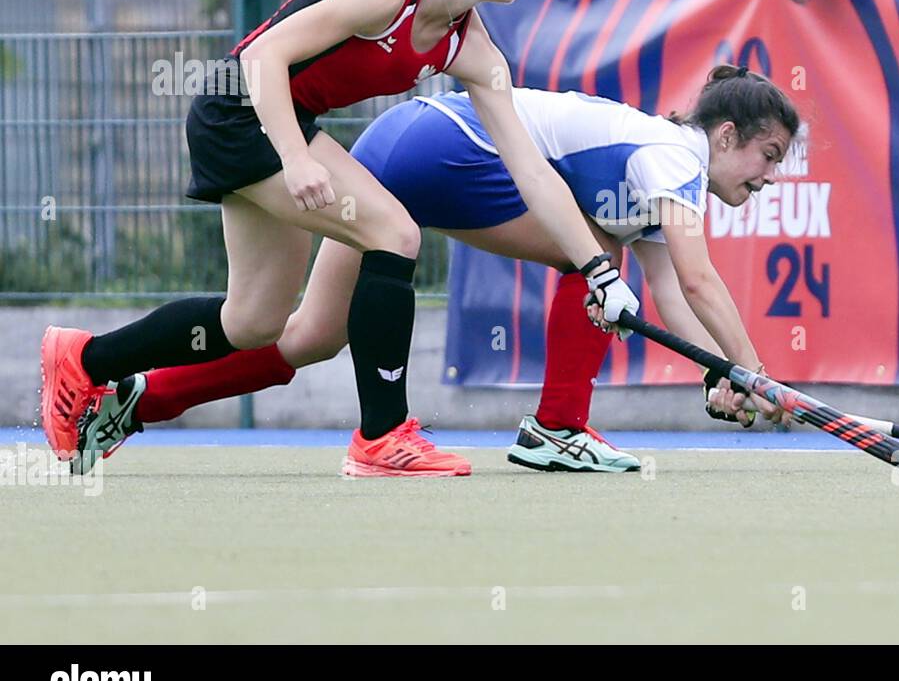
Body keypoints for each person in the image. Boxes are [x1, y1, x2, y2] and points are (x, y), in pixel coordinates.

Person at [41, 0, 640, 479]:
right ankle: (383, 438)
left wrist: (598, 270)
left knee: (251, 323)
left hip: (279, 121)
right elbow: (261, 56)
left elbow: (530, 170)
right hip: (240, 111)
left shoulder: (474, 49)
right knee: (394, 233)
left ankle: (85, 359)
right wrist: (296, 158)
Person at [76, 66, 799, 475]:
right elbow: (700, 281)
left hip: (408, 138)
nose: (767, 178)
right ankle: (555, 429)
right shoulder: (676, 159)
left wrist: (720, 371)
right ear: (725, 134)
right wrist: (753, 369)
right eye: (767, 156)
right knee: (592, 258)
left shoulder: (655, 176)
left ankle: (137, 401)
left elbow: (669, 292)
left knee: (309, 336)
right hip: (446, 144)